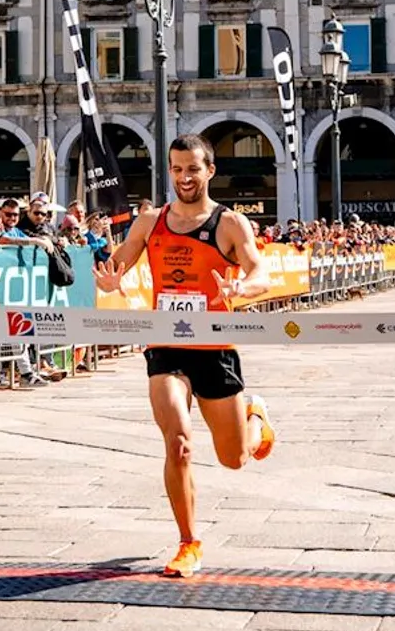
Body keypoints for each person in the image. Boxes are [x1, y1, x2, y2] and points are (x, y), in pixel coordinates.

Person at [94, 134, 277, 579]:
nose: (184, 177)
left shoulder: (230, 224)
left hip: (214, 348)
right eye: (176, 169)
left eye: (192, 169)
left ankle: (256, 419)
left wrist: (240, 288)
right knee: (178, 440)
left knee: (234, 458)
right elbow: (116, 266)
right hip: (165, 344)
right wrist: (107, 281)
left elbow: (261, 273)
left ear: (209, 171)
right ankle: (188, 543)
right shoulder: (149, 223)